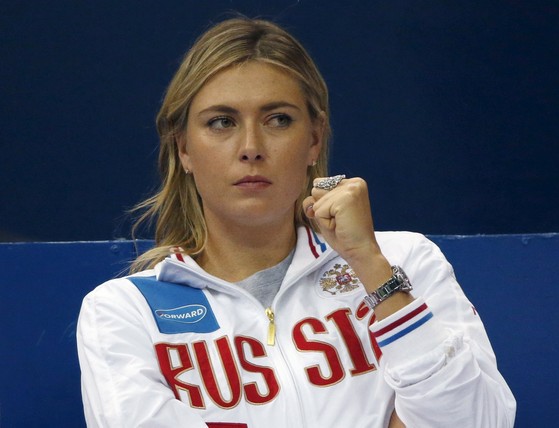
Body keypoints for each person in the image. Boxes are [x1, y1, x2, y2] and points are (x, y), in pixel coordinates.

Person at [77, 17, 516, 427]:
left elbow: (480, 420)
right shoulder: (123, 313)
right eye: (222, 122)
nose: (251, 146)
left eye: (278, 119)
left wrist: (371, 267)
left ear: (314, 139)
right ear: (183, 149)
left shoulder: (405, 261)